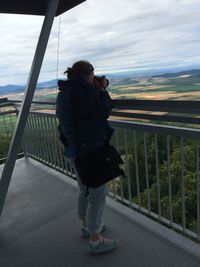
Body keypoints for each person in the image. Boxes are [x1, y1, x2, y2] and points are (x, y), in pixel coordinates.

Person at [56, 60, 118, 254]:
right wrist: (101, 90)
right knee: (97, 198)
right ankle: (95, 241)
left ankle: (86, 227)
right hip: (89, 152)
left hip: (73, 151)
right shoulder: (84, 93)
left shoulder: (65, 92)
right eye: (93, 75)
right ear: (88, 74)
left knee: (84, 190)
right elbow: (104, 110)